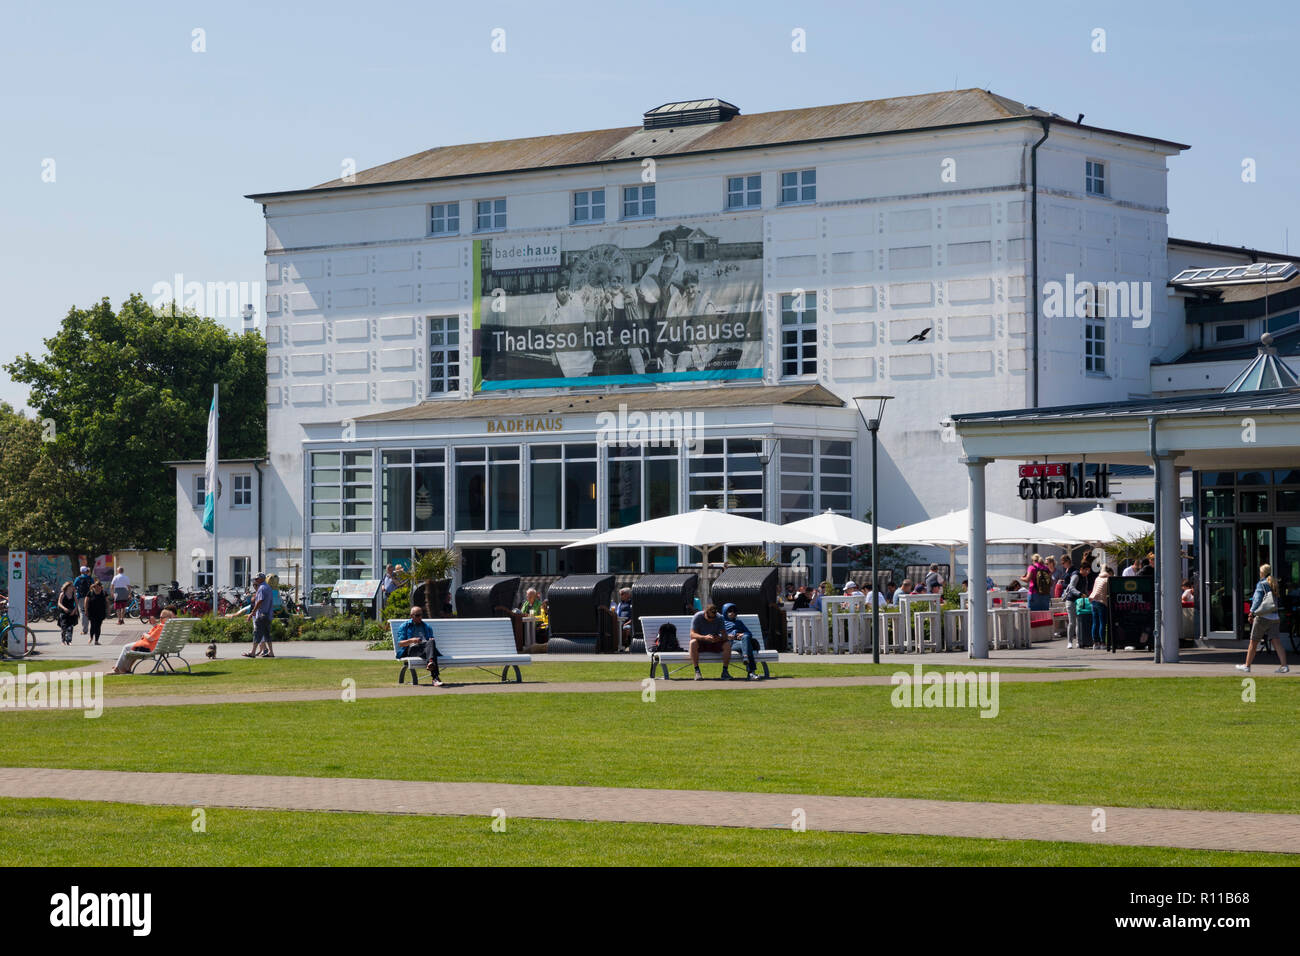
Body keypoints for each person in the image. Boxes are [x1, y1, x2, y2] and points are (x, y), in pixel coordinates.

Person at [1237, 564, 1289, 674]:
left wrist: (1251, 612)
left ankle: (1247, 666)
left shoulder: (1261, 584)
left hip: (1263, 617)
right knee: (1277, 642)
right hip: (1274, 617)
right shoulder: (1274, 582)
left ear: (1262, 573)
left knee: (1253, 642)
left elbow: (1257, 600)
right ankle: (1284, 666)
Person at [111, 610, 174, 674]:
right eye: (159, 617)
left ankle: (117, 669)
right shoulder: (168, 627)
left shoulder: (162, 626)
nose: (160, 618)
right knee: (131, 649)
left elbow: (151, 638)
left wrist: (144, 634)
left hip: (148, 648)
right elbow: (157, 634)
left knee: (126, 647)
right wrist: (154, 624)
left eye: (162, 617)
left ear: (167, 618)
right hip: (156, 648)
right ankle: (126, 669)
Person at [396, 606, 443, 686]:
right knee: (431, 650)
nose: (420, 617)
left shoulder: (426, 626)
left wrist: (431, 639)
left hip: (425, 650)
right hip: (411, 649)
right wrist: (412, 640)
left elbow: (430, 641)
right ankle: (435, 676)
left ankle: (431, 663)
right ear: (411, 616)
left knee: (431, 642)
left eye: (421, 615)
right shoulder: (404, 626)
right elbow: (400, 643)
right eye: (417, 615)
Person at [689, 603, 732, 680]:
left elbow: (725, 636)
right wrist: (704, 637)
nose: (711, 619)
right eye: (709, 617)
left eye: (713, 617)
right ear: (705, 612)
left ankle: (725, 671)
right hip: (701, 642)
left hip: (714, 643)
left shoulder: (719, 618)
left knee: (727, 644)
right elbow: (692, 634)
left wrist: (719, 638)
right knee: (693, 643)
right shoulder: (697, 617)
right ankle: (697, 671)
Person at [1061, 552, 1094, 649]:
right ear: (1082, 569)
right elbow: (1071, 587)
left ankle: (1079, 641)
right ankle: (1069, 641)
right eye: (1086, 571)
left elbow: (1085, 589)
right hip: (1071, 600)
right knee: (1072, 622)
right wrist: (1080, 594)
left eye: (1089, 571)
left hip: (1079, 601)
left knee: (1079, 621)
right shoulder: (1076, 575)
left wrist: (1087, 596)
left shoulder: (1085, 577)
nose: (1087, 573)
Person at [721, 603, 760, 680]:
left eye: (734, 611)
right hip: (730, 644)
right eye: (729, 611)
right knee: (748, 646)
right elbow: (717, 635)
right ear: (725, 612)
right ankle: (751, 673)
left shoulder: (739, 622)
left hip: (741, 642)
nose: (732, 613)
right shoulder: (721, 623)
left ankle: (745, 657)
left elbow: (749, 633)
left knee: (746, 638)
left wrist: (742, 634)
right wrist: (727, 636)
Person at [241, 572, 276, 659]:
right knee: (267, 634)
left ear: (261, 579)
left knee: (257, 633)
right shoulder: (268, 587)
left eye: (257, 579)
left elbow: (259, 601)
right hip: (268, 614)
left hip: (261, 614)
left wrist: (253, 612)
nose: (256, 581)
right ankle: (271, 652)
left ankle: (252, 652)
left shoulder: (261, 588)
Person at [1089, 565, 1113, 651]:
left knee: (1095, 623)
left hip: (1093, 600)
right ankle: (1103, 643)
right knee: (1103, 623)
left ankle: (1095, 643)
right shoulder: (1108, 579)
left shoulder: (1097, 578)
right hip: (1102, 602)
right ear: (1109, 573)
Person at [85, 580, 108, 646]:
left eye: (99, 587)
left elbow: (107, 602)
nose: (97, 588)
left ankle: (96, 640)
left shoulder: (104, 593)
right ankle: (91, 637)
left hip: (101, 612)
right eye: (96, 587)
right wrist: (86, 610)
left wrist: (108, 610)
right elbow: (86, 602)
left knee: (98, 626)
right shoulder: (90, 593)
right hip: (91, 612)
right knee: (93, 625)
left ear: (101, 587)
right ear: (94, 587)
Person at [73, 566, 93, 637]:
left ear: (81, 571)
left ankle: (85, 630)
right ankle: (92, 628)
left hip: (81, 597)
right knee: (89, 611)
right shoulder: (90, 578)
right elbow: (93, 587)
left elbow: (73, 587)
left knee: (83, 612)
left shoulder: (78, 578)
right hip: (90, 597)